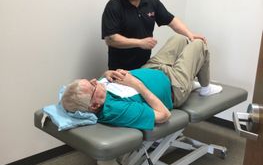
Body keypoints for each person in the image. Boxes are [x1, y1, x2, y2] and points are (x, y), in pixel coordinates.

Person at [61, 34, 222, 131]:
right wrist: (137, 85)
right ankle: (204, 87)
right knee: (199, 45)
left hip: (152, 68)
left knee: (179, 38)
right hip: (173, 86)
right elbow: (164, 115)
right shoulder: (116, 110)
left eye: (91, 81)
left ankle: (191, 81)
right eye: (93, 85)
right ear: (95, 106)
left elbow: (101, 83)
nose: (95, 81)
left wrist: (107, 74)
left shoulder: (98, 95)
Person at [101, 0, 206, 70]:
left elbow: (171, 20)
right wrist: (140, 43)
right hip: (120, 71)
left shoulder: (152, 2)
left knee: (179, 40)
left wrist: (190, 35)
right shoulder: (113, 6)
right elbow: (110, 39)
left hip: (145, 67)